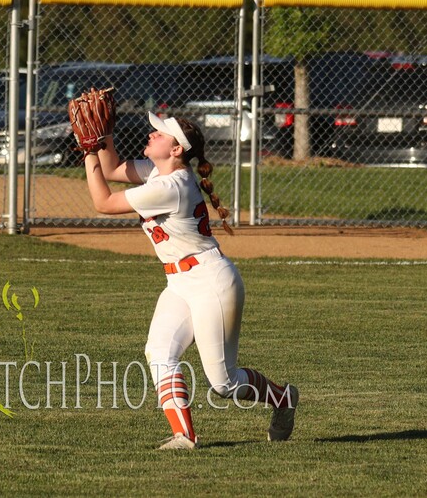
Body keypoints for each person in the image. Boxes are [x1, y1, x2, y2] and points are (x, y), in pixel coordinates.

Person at [82, 110, 299, 450]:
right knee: (159, 351)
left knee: (223, 384)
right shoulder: (158, 171)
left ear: (177, 150)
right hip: (179, 282)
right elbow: (111, 170)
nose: (152, 134)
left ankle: (283, 398)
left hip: (211, 280)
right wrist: (103, 135)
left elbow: (103, 202)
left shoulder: (172, 185)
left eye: (160, 134)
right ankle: (185, 436)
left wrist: (87, 151)